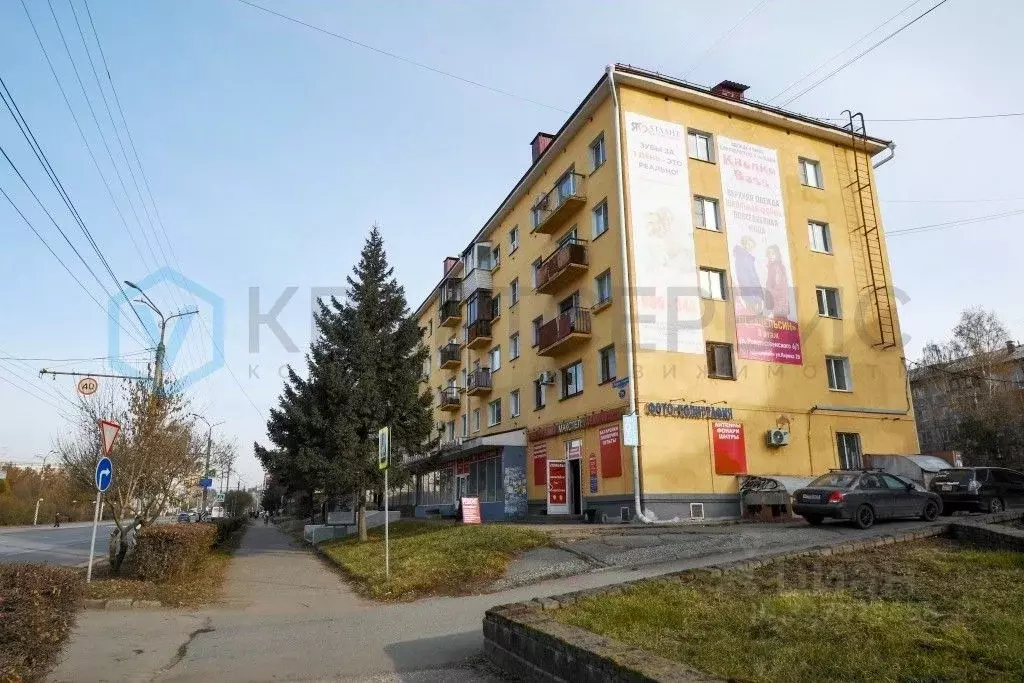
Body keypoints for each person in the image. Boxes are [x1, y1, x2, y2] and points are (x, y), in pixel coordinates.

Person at [764, 244, 791, 318]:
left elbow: (780, 292)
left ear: (777, 254)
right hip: (778, 309)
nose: (770, 255)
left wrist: (775, 312)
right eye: (769, 253)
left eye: (773, 253)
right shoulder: (772, 268)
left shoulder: (776, 268)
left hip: (778, 310)